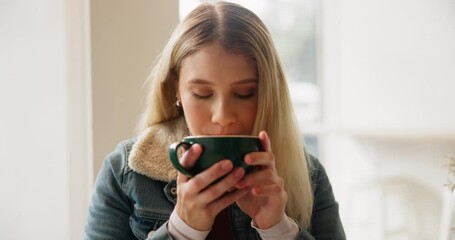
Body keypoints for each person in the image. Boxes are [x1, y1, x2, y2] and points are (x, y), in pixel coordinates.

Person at [85, 2, 346, 239]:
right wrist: (181, 229)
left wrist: (278, 229)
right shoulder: (124, 173)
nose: (222, 117)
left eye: (244, 94)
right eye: (202, 93)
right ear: (176, 89)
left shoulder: (308, 176)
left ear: (268, 92)